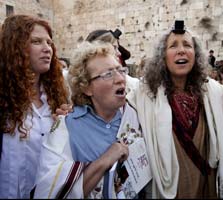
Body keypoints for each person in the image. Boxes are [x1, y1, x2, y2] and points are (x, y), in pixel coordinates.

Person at [126, 20, 223, 198]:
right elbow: (116, 109)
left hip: (206, 185)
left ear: (195, 55)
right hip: (171, 187)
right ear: (162, 56)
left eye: (187, 45)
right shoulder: (143, 95)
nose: (181, 50)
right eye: (173, 45)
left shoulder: (213, 92)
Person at [32, 41, 142, 198]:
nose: (120, 79)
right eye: (108, 74)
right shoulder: (66, 127)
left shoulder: (136, 115)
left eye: (120, 70)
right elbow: (49, 192)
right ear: (86, 87)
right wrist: (105, 160)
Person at [0, 14, 69, 198]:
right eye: (37, 42)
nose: (47, 49)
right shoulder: (4, 99)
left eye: (49, 42)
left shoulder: (57, 98)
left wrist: (65, 127)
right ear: (15, 48)